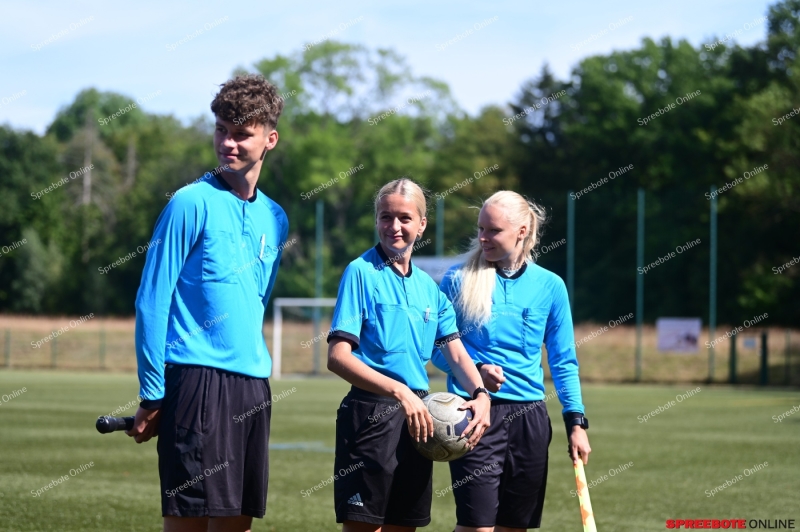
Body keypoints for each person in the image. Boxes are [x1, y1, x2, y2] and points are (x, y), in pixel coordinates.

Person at [126, 75, 289, 532]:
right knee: (190, 522)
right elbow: (151, 302)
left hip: (253, 386)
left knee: (236, 524)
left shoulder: (276, 217)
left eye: (242, 133)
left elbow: (258, 299)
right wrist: (153, 392)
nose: (228, 143)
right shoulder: (188, 203)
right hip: (196, 383)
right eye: (221, 130)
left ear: (269, 139)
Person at [326, 178, 492, 532]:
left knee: (405, 526)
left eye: (404, 218)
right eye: (386, 217)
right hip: (371, 414)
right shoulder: (360, 272)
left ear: (422, 224)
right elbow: (338, 356)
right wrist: (399, 391)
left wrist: (481, 395)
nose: (394, 227)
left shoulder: (429, 290)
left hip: (421, 421)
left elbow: (458, 355)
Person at [431, 190, 591, 532]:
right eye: (481, 229)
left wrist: (576, 424)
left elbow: (563, 360)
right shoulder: (457, 279)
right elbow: (436, 349)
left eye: (493, 230)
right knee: (477, 526)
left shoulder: (551, 286)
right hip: (474, 414)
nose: (483, 237)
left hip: (530, 419)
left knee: (513, 527)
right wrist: (475, 372)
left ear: (521, 231)